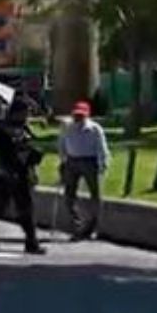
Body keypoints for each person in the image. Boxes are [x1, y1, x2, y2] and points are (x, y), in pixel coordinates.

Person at [0, 96, 46, 254]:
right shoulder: (0, 127)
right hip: (4, 173)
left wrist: (34, 166)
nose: (27, 116)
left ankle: (31, 241)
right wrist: (0, 169)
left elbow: (28, 148)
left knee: (26, 208)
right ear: (16, 112)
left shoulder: (25, 128)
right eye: (25, 112)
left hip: (22, 173)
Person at [59, 100, 110, 241]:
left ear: (87, 116)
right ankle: (77, 226)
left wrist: (103, 164)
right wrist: (62, 161)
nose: (78, 118)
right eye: (76, 115)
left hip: (90, 161)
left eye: (81, 116)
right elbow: (62, 144)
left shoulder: (95, 129)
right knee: (69, 195)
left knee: (95, 195)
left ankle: (92, 227)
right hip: (72, 161)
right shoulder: (67, 127)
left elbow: (102, 148)